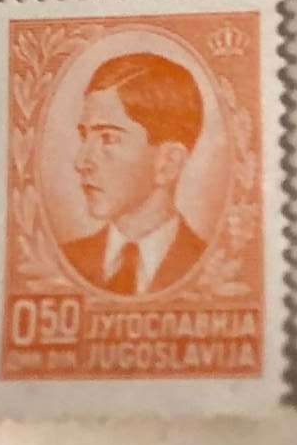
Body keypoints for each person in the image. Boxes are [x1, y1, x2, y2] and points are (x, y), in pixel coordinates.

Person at [64, 49, 209, 294]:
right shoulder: (66, 261)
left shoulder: (211, 266)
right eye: (84, 136)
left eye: (108, 138)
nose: (80, 162)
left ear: (168, 163)